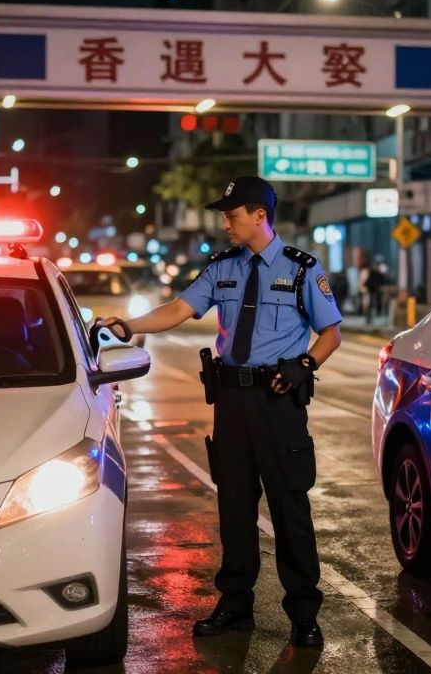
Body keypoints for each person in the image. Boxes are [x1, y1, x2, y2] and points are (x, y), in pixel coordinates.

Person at [103, 176, 342, 649]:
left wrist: (305, 364)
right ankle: (235, 605)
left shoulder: (300, 270)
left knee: (289, 506)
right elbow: (178, 309)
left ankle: (303, 614)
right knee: (234, 508)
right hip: (231, 403)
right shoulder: (222, 268)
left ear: (260, 216)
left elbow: (331, 332)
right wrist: (128, 325)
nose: (226, 223)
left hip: (278, 401)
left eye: (232, 215)